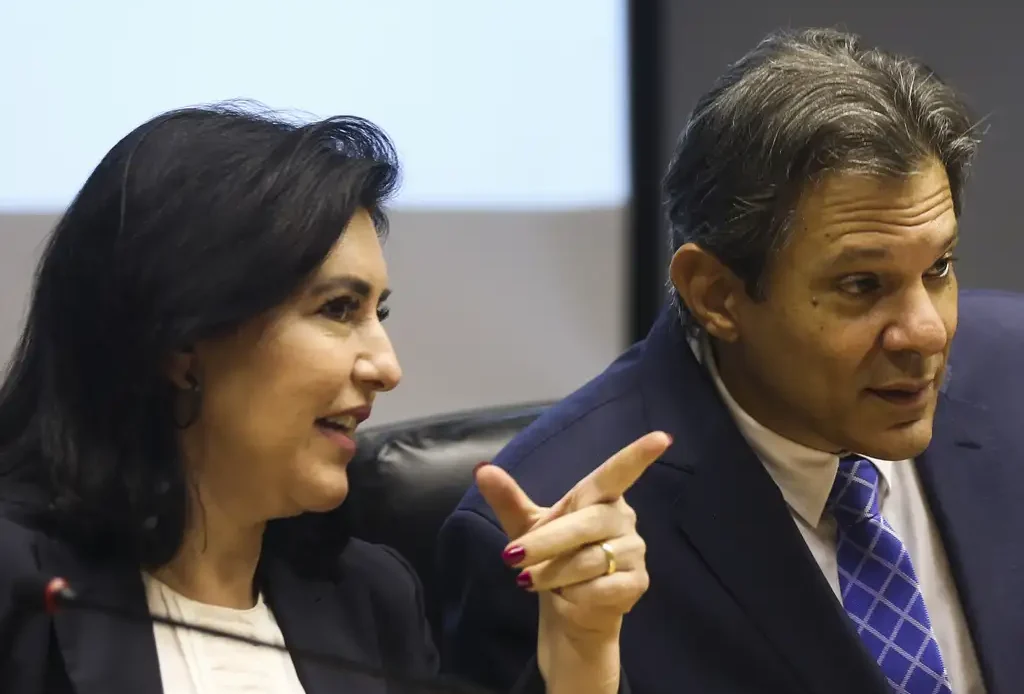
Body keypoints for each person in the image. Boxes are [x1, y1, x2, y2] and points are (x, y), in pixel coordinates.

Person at [0, 104, 669, 694]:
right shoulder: (18, 588)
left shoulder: (370, 599)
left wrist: (581, 650)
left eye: (380, 312)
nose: (388, 368)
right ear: (181, 339)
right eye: (339, 308)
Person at [438, 27, 1024, 694]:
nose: (926, 332)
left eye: (938, 268)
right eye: (862, 285)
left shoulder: (1014, 377)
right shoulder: (550, 541)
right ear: (716, 295)